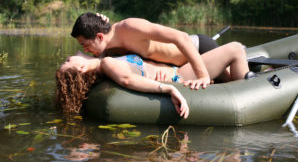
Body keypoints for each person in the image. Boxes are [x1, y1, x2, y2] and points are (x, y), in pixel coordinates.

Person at [56, 40, 249, 118]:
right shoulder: (107, 64)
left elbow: (104, 38)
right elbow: (127, 80)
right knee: (236, 48)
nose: (71, 54)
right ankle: (247, 87)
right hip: (180, 75)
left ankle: (246, 76)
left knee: (227, 66)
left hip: (176, 69)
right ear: (81, 68)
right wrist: (169, 88)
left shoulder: (102, 61)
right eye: (68, 60)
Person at [71, 12, 224, 90]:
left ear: (99, 37)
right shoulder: (108, 51)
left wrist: (202, 76)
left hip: (199, 48)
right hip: (179, 66)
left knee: (229, 79)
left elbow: (181, 37)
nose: (85, 50)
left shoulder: (130, 27)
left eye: (85, 45)